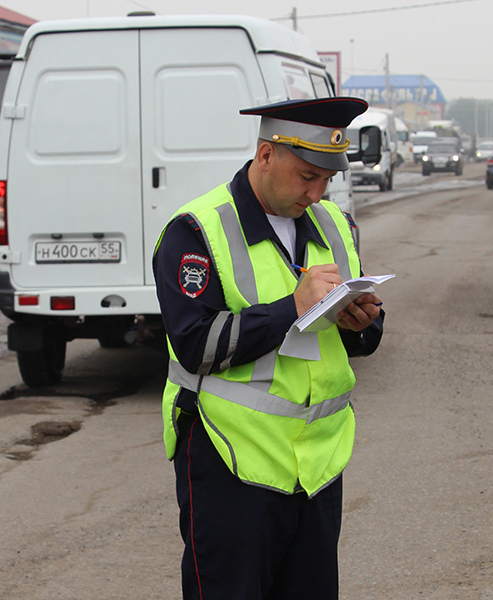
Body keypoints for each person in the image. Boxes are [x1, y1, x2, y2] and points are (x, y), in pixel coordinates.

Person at [153, 97, 386, 600]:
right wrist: (291, 309)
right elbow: (195, 345)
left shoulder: (334, 225)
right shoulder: (195, 231)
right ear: (265, 155)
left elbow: (359, 341)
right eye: (306, 175)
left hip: (317, 467)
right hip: (230, 459)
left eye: (327, 179)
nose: (317, 191)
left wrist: (362, 321)